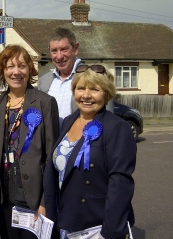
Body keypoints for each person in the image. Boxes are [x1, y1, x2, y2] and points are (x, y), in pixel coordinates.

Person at [44, 64, 136, 239]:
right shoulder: (68, 122)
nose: (86, 95)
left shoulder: (117, 128)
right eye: (80, 88)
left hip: (96, 226)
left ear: (106, 93)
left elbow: (120, 185)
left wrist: (109, 233)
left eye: (95, 89)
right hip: (67, 222)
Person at [0, 45, 59, 239]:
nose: (16, 72)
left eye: (22, 66)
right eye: (10, 66)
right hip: (6, 196)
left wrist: (46, 201)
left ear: (30, 69)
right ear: (3, 72)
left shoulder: (45, 103)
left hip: (34, 199)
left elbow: (51, 156)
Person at [38, 27, 81, 126]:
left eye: (64, 49)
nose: (59, 56)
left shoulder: (94, 78)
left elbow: (106, 120)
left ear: (75, 48)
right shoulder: (43, 81)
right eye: (54, 51)